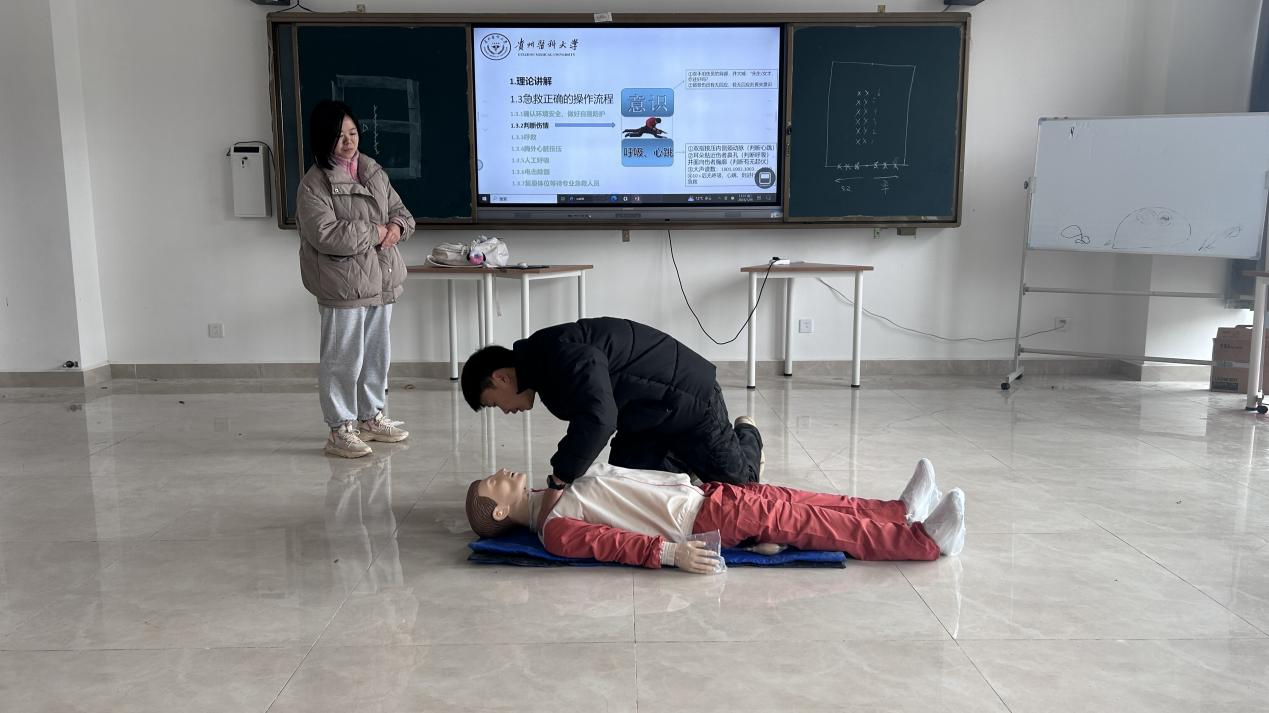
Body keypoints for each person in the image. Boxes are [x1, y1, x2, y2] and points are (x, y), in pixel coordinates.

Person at [464, 458, 966, 572]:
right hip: (702, 520)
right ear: (502, 509)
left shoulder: (557, 488)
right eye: (494, 481)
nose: (502, 471)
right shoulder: (555, 530)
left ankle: (896, 511)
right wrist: (672, 555)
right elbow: (615, 545)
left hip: (703, 495)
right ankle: (924, 541)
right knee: (813, 524)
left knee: (801, 501)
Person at [460, 317, 763, 489]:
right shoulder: (544, 366)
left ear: (500, 378)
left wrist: (561, 477)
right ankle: (686, 458)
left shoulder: (558, 353)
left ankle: (746, 432)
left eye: (494, 404)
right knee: (627, 491)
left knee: (741, 488)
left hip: (691, 401)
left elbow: (599, 419)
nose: (505, 411)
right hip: (648, 418)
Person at [298, 99, 414, 458]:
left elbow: (401, 212)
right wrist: (376, 232)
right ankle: (339, 429)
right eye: (339, 136)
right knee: (343, 359)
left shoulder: (373, 171)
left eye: (353, 133)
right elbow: (327, 234)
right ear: (323, 139)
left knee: (377, 355)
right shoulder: (314, 184)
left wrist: (397, 227)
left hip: (382, 279)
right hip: (343, 284)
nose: (349, 142)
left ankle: (370, 417)